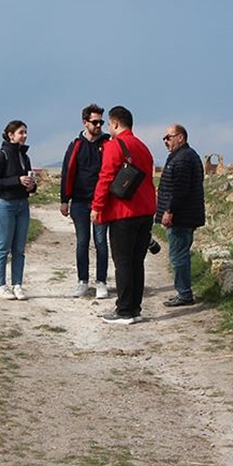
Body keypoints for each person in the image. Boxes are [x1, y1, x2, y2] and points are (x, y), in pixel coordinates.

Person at [91, 106, 156, 324]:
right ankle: (135, 308)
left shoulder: (114, 145)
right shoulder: (143, 147)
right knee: (137, 261)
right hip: (145, 211)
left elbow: (106, 178)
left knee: (123, 262)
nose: (108, 128)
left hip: (123, 212)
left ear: (116, 124)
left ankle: (124, 310)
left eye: (109, 124)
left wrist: (97, 207)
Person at [60, 103, 111, 299]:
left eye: (101, 122)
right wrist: (64, 200)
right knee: (82, 242)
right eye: (95, 122)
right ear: (85, 122)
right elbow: (67, 171)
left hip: (101, 202)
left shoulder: (107, 144)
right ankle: (82, 281)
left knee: (101, 242)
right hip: (80, 203)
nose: (99, 126)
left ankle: (101, 282)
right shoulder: (76, 145)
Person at [155, 124, 206, 307]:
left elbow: (180, 190)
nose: (166, 141)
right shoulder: (181, 156)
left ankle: (184, 294)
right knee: (180, 254)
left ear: (181, 137)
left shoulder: (183, 158)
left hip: (181, 217)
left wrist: (169, 211)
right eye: (165, 138)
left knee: (178, 256)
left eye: (169, 137)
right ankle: (183, 292)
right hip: (184, 216)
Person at [0, 119, 37, 300]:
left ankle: (18, 285)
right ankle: (1, 285)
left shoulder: (25, 157)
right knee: (4, 247)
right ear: (11, 135)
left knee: (19, 248)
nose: (24, 136)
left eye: (25, 132)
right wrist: (17, 180)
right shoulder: (1, 156)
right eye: (21, 132)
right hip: (5, 206)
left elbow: (30, 184)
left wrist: (31, 186)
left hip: (22, 205)